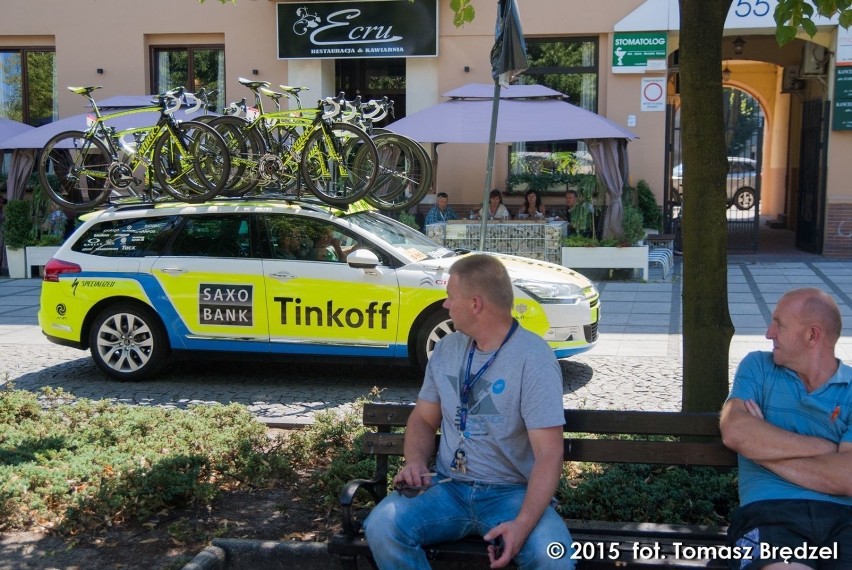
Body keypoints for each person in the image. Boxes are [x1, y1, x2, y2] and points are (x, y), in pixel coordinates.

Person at [363, 254, 575, 569]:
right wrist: (416, 463)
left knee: (552, 557)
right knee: (382, 526)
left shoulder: (534, 358)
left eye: (450, 297)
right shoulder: (447, 349)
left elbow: (549, 453)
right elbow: (423, 419)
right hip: (448, 489)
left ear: (475, 304)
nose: (446, 305)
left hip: (512, 494)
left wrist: (523, 524)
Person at [720, 288, 852, 570]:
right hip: (769, 514)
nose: (769, 333)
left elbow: (848, 478)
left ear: (812, 336)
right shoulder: (758, 367)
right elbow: (735, 431)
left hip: (846, 520)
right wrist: (826, 448)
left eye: (779, 324)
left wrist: (759, 451)